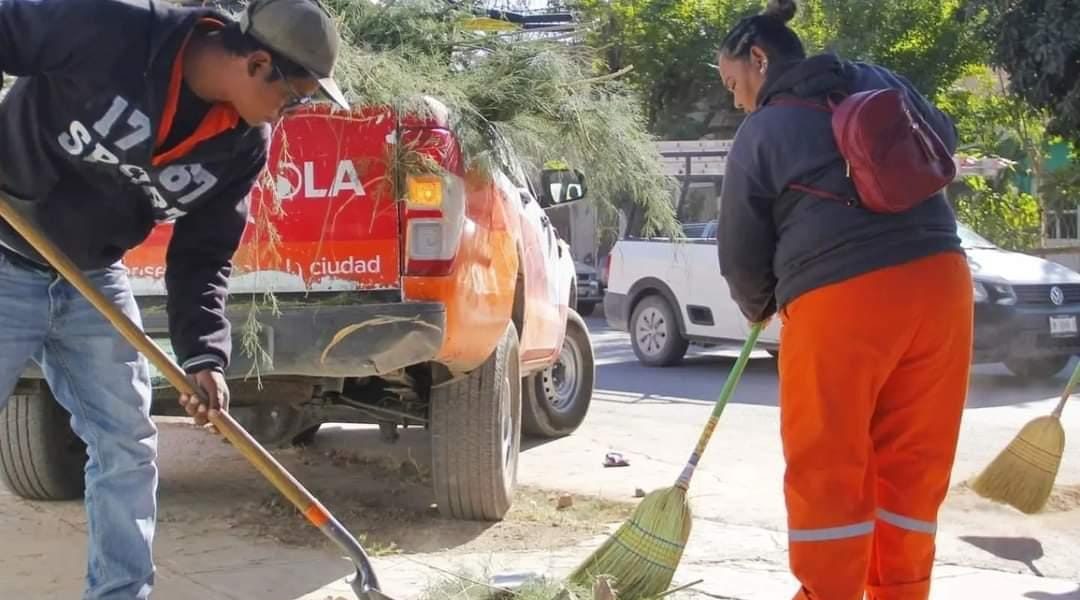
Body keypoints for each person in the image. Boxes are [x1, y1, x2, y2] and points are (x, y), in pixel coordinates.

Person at [0, 0, 348, 597]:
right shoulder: (109, 28)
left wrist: (204, 356)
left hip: (93, 277)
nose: (290, 112)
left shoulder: (243, 145)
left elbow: (203, 255)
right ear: (257, 63)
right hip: (6, 253)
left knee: (127, 445)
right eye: (295, 96)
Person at [713, 1, 973, 599]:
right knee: (914, 464)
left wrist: (760, 304)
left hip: (841, 303)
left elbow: (740, 254)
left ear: (760, 59)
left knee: (828, 466)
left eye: (733, 83)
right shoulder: (879, 80)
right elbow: (944, 139)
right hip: (943, 285)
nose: (736, 101)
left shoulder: (761, 133)